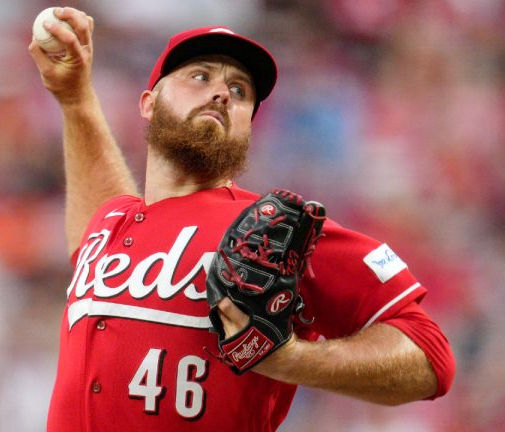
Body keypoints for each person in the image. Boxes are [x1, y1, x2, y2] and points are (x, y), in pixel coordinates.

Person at [28, 7, 455, 432]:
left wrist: (292, 360)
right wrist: (75, 98)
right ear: (149, 102)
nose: (221, 93)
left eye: (239, 90)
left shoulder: (273, 232)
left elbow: (430, 355)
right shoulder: (113, 223)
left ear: (248, 127)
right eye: (200, 76)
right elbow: (94, 231)